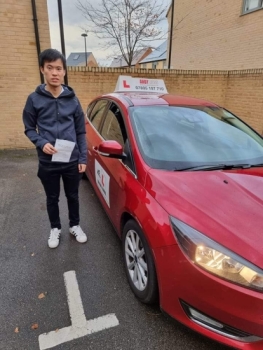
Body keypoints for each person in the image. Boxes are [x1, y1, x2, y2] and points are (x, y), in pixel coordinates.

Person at [22, 48, 87, 249]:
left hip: (71, 160)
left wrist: (83, 158)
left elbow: (81, 132)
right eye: (50, 68)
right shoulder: (34, 99)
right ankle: (55, 228)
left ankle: (74, 225)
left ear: (64, 72)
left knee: (73, 196)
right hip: (48, 161)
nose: (55, 73)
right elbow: (29, 129)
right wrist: (42, 143)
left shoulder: (73, 100)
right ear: (42, 69)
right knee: (52, 198)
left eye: (59, 68)